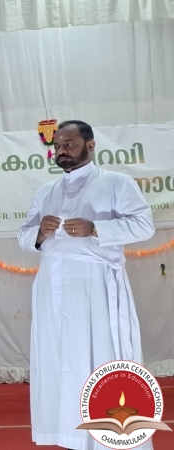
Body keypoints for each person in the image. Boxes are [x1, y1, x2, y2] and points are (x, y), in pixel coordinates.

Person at [17, 120, 155, 450]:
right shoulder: (46, 191)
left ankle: (114, 439)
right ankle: (71, 436)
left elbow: (144, 225)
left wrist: (96, 229)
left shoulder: (116, 183)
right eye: (58, 146)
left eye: (69, 144)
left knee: (101, 358)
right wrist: (39, 233)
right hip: (52, 287)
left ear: (90, 146)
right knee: (60, 362)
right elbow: (23, 236)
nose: (62, 151)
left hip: (97, 287)